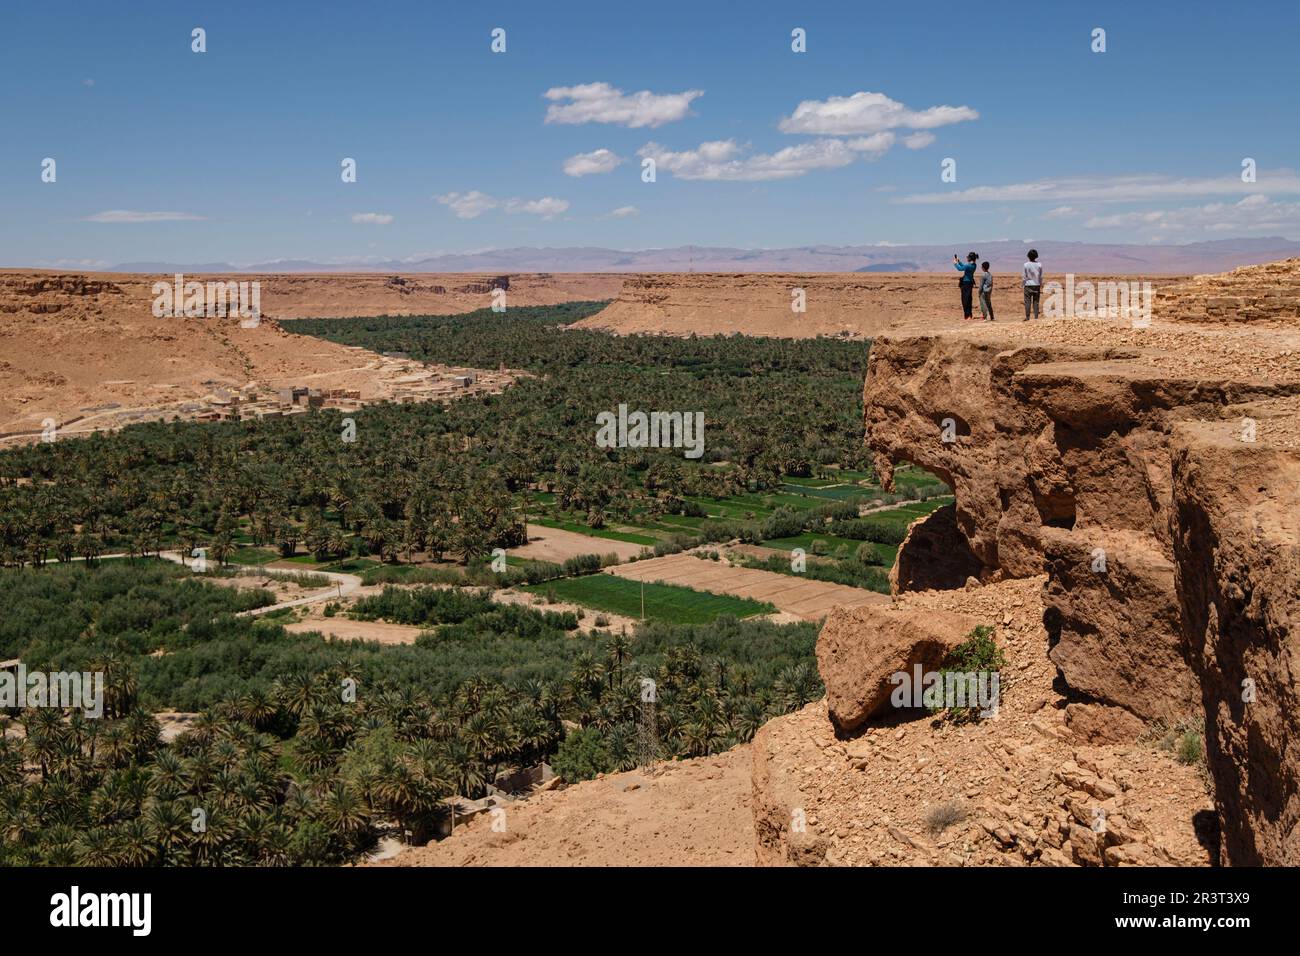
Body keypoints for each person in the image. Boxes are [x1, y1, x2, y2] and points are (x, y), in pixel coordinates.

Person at [953, 251, 978, 320]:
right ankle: (969, 315)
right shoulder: (974, 265)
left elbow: (960, 269)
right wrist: (959, 262)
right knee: (969, 299)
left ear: (970, 258)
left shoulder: (968, 265)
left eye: (968, 257)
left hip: (965, 284)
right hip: (970, 283)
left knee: (965, 300)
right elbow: (964, 267)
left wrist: (955, 264)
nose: (967, 258)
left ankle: (966, 316)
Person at [1022, 248, 1043, 321]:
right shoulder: (1039, 265)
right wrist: (1040, 284)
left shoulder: (1026, 265)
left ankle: (1027, 317)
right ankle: (1036, 318)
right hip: (1036, 285)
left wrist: (1023, 284)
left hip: (1028, 285)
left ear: (1028, 256)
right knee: (1036, 302)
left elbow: (1024, 276)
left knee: (1027, 301)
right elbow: (1040, 276)